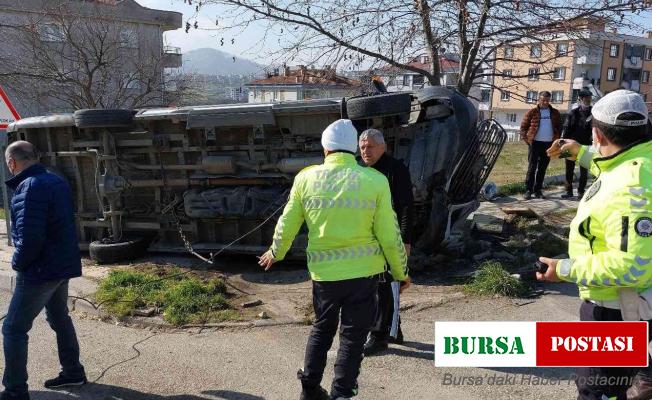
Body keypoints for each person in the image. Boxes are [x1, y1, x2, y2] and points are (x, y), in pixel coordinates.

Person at [258, 120, 410, 400]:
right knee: (352, 339)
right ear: (354, 149)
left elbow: (288, 221)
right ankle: (342, 393)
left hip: (324, 276)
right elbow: (390, 235)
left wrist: (275, 252)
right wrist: (401, 271)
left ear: (325, 148)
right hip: (363, 278)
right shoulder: (375, 181)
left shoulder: (306, 177)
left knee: (322, 329)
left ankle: (309, 389)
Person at [539, 90, 652, 400]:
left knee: (597, 391)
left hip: (615, 310)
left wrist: (564, 269)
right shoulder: (643, 161)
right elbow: (618, 163)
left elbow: (630, 266)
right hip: (632, 307)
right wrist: (581, 153)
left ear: (598, 133)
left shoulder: (629, 185)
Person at [1, 141, 86, 400]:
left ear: (12, 163)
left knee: (13, 329)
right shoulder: (54, 180)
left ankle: (15, 392)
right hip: (61, 265)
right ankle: (73, 372)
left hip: (40, 270)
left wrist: (18, 263)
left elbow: (30, 237)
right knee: (59, 318)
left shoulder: (29, 188)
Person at [357, 128, 414, 356]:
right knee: (380, 286)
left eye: (370, 146)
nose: (365, 151)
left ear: (383, 147)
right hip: (365, 239)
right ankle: (393, 328)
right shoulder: (358, 168)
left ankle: (379, 337)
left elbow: (406, 207)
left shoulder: (395, 170)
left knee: (385, 285)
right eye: (362, 147)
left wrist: (406, 240)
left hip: (390, 238)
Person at [519, 91, 562, 200]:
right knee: (532, 167)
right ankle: (528, 190)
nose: (545, 102)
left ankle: (538, 190)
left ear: (549, 100)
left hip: (548, 144)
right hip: (535, 144)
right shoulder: (532, 112)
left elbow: (559, 127)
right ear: (539, 100)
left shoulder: (555, 113)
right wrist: (528, 141)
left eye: (547, 100)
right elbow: (523, 127)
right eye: (543, 100)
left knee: (542, 168)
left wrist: (556, 140)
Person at [561, 89, 593, 199]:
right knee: (568, 170)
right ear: (580, 99)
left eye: (589, 98)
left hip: (586, 146)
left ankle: (581, 192)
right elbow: (566, 129)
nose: (588, 100)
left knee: (584, 170)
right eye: (586, 98)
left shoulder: (594, 113)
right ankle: (568, 191)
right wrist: (563, 144)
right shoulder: (573, 113)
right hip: (570, 145)